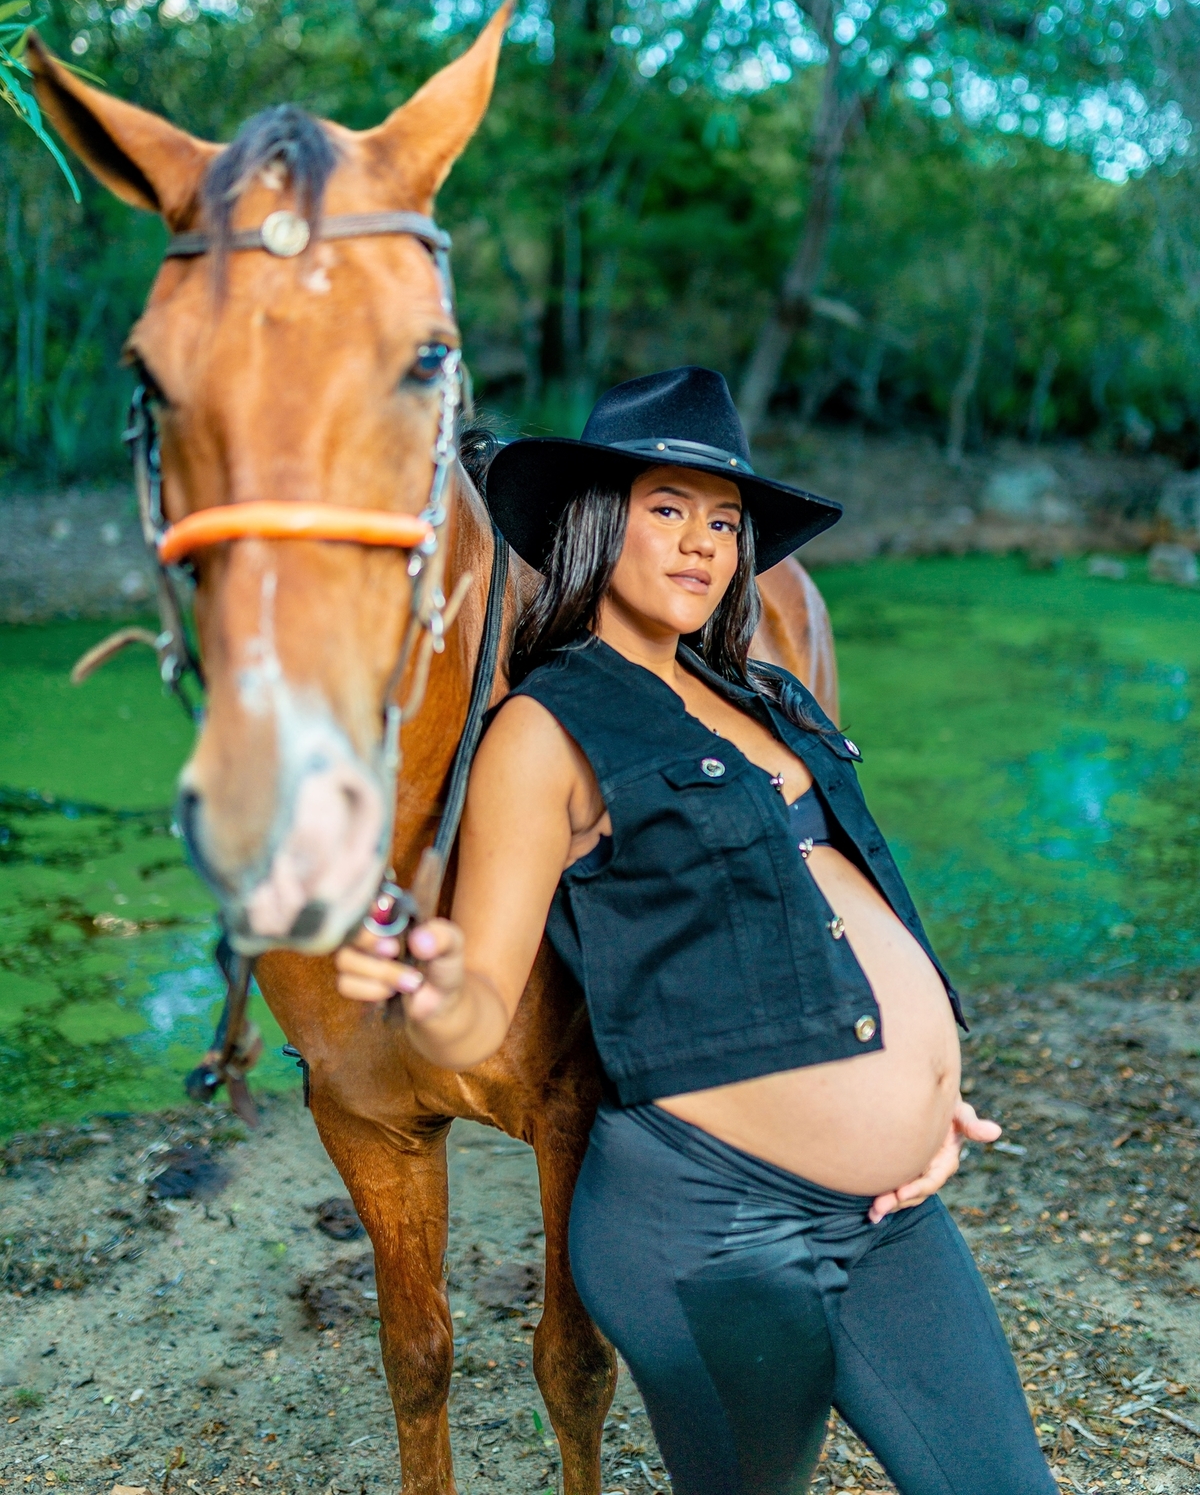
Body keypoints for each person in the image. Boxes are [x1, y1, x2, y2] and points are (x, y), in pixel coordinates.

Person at [334, 367, 1055, 1495]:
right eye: (666, 508)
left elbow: (844, 897)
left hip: (886, 1216)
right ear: (593, 523)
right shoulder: (545, 730)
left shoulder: (773, 698)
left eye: (723, 521)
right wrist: (427, 986)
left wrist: (931, 1089)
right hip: (711, 1225)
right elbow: (475, 1006)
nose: (701, 542)